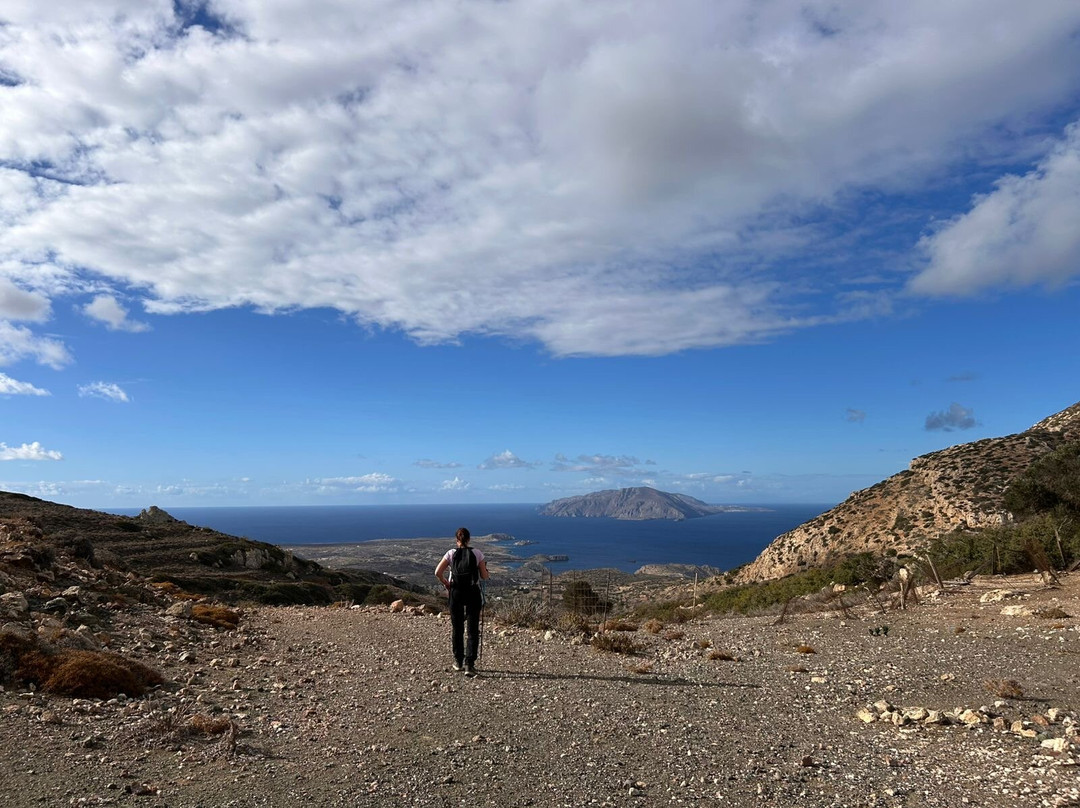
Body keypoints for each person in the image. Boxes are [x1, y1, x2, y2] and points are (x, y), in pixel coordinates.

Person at [434, 527, 489, 676]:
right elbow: (484, 576)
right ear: (469, 539)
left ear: (456, 540)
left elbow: (437, 572)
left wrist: (446, 583)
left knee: (457, 628)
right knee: (472, 629)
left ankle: (458, 661)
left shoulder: (451, 553)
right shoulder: (477, 553)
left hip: (456, 592)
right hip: (472, 592)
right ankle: (469, 665)